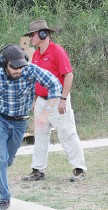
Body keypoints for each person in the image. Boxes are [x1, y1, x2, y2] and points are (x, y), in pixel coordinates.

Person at [0, 44, 62, 210]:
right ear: (4, 63)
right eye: (14, 67)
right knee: (1, 158)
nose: (18, 70)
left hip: (19, 122)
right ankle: (4, 198)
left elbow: (55, 84)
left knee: (7, 160)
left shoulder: (30, 70)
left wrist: (45, 113)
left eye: (21, 66)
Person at [22, 20, 87, 182]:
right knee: (40, 135)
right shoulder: (36, 54)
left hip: (57, 98)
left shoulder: (57, 51)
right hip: (41, 101)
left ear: (43, 34)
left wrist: (63, 99)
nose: (30, 37)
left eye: (33, 34)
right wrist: (34, 99)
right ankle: (37, 170)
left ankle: (79, 169)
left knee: (67, 133)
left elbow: (69, 75)